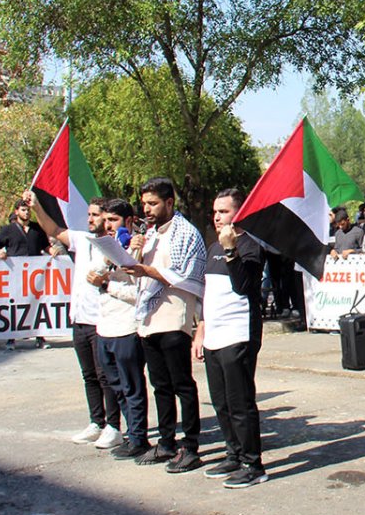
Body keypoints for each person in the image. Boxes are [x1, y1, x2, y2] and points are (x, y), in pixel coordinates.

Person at [24, 190, 123, 443]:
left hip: (100, 319)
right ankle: (96, 422)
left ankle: (114, 426)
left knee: (105, 376)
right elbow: (54, 230)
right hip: (79, 318)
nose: (90, 219)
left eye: (95, 215)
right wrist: (36, 207)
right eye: (88, 214)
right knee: (89, 375)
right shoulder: (82, 239)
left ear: (106, 218)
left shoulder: (114, 245)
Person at [123, 177, 207, 472]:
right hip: (149, 319)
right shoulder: (149, 234)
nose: (146, 209)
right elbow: (137, 277)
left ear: (170, 202)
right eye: (144, 203)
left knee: (182, 383)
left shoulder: (186, 232)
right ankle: (167, 442)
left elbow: (188, 276)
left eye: (153, 203)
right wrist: (134, 252)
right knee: (159, 385)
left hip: (173, 318)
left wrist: (147, 269)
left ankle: (191, 445)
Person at [192, 189, 269, 487]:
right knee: (220, 401)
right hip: (214, 334)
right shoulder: (213, 248)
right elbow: (209, 295)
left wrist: (231, 250)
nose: (216, 216)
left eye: (223, 211)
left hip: (239, 334)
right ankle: (233, 454)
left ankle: (253, 465)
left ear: (239, 213)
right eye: (215, 211)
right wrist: (201, 331)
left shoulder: (249, 246)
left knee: (241, 402)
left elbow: (243, 286)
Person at [90, 199, 144, 454]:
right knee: (114, 384)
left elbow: (139, 293)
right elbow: (91, 276)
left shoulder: (138, 245)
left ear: (129, 221)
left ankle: (138, 438)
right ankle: (128, 432)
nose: (108, 225)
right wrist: (105, 262)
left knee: (131, 386)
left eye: (114, 220)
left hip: (127, 327)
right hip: (105, 326)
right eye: (106, 220)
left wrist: (107, 285)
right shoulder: (105, 246)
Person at [0, 199, 50, 349]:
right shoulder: (8, 229)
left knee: (36, 305)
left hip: (35, 274)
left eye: (28, 210)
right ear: (17, 211)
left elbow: (46, 246)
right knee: (15, 305)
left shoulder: (37, 228)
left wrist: (54, 252)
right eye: (23, 210)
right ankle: (11, 339)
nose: (26, 213)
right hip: (16, 274)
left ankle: (40, 337)